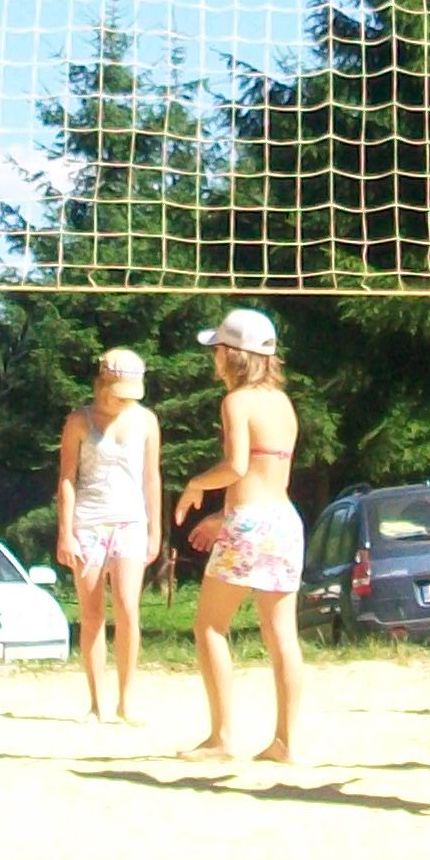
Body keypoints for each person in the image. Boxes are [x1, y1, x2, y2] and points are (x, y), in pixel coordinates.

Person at [171, 311, 304, 761]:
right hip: (284, 520)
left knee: (209, 626)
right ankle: (285, 741)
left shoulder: (236, 402)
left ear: (231, 354)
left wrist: (196, 485)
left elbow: (237, 467)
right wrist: (222, 517)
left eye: (217, 349)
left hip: (251, 521)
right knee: (282, 635)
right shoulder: (282, 403)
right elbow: (265, 476)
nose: (214, 357)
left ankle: (222, 737)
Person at [55, 346, 159, 723]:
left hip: (131, 521)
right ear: (103, 384)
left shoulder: (146, 421)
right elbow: (67, 478)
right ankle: (97, 702)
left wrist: (155, 530)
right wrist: (65, 533)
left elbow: (151, 477)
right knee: (92, 612)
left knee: (128, 607)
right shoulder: (79, 421)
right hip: (88, 522)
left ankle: (126, 700)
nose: (123, 401)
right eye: (118, 393)